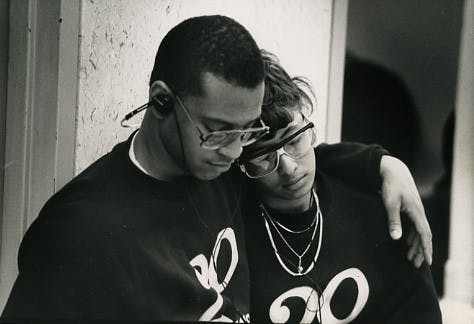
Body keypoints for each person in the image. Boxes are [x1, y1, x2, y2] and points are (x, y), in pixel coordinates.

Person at [2, 16, 430, 322]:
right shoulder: (82, 230)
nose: (234, 151)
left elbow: (293, 157)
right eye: (220, 131)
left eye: (248, 131)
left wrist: (382, 164)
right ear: (163, 101)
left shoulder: (219, 168)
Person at [240, 51, 441, 323]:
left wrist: (384, 163)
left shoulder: (375, 211)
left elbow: (419, 313)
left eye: (294, 141)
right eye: (264, 157)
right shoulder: (233, 228)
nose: (289, 168)